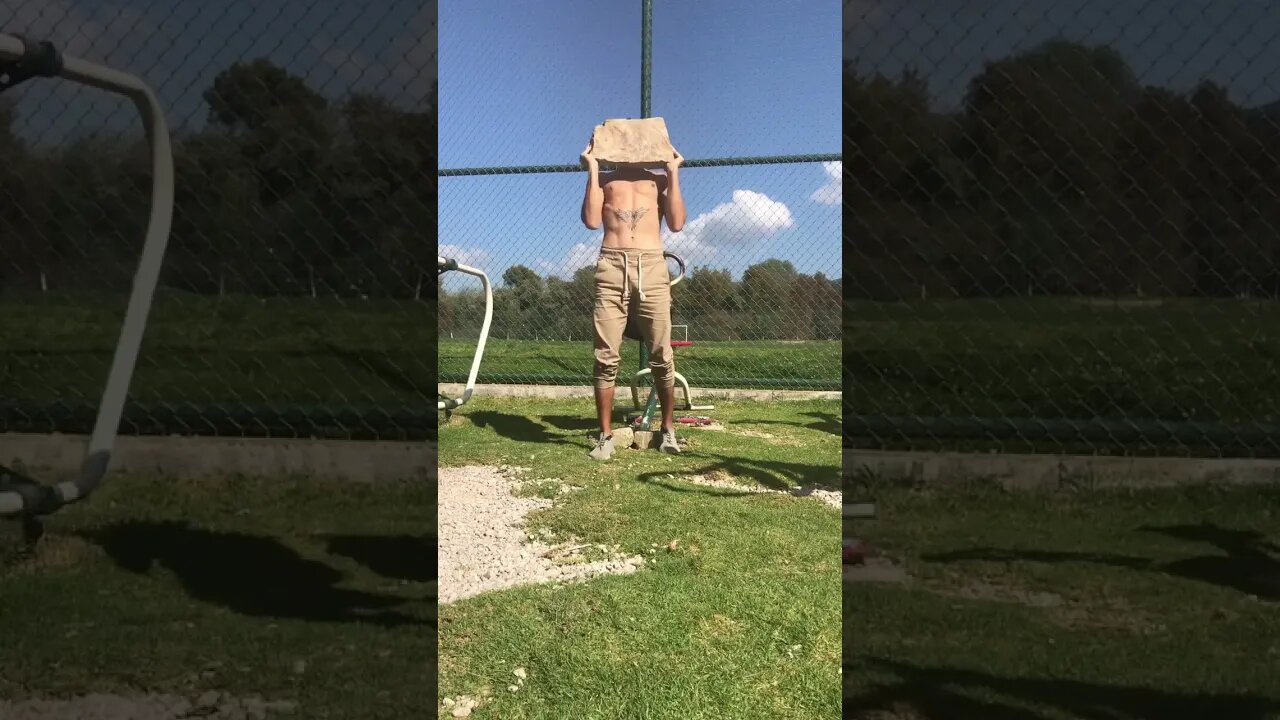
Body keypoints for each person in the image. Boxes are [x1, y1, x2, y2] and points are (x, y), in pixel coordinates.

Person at [579, 141, 686, 460]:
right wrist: (593, 166)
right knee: (605, 355)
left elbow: (677, 223)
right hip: (611, 265)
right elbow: (591, 221)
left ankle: (668, 430)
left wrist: (673, 171)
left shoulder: (660, 180)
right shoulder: (604, 179)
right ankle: (605, 437)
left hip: (652, 264)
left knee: (661, 353)